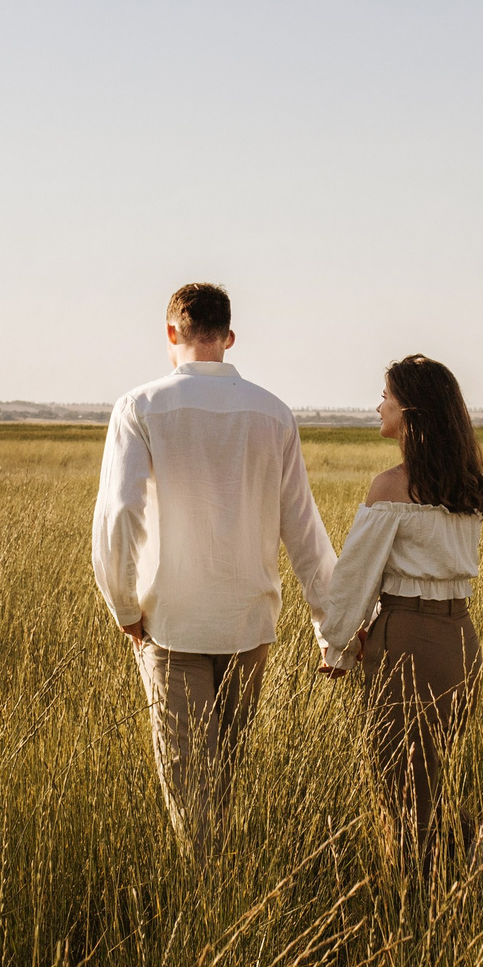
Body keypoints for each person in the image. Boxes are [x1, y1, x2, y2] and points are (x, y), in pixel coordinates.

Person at [92, 284, 337, 863]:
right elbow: (303, 529)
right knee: (223, 774)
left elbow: (119, 513)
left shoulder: (140, 406)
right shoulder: (273, 412)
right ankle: (224, 882)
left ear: (171, 334)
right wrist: (332, 626)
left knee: (187, 782)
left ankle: (209, 895)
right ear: (227, 338)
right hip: (250, 623)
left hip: (170, 623)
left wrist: (124, 606)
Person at [311, 355, 483, 881]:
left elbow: (354, 579)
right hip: (461, 641)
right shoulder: (464, 485)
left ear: (410, 410)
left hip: (408, 640)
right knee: (429, 779)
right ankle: (474, 870)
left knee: (400, 788)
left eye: (386, 396)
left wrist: (337, 646)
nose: (378, 405)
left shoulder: (392, 487)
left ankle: (424, 894)